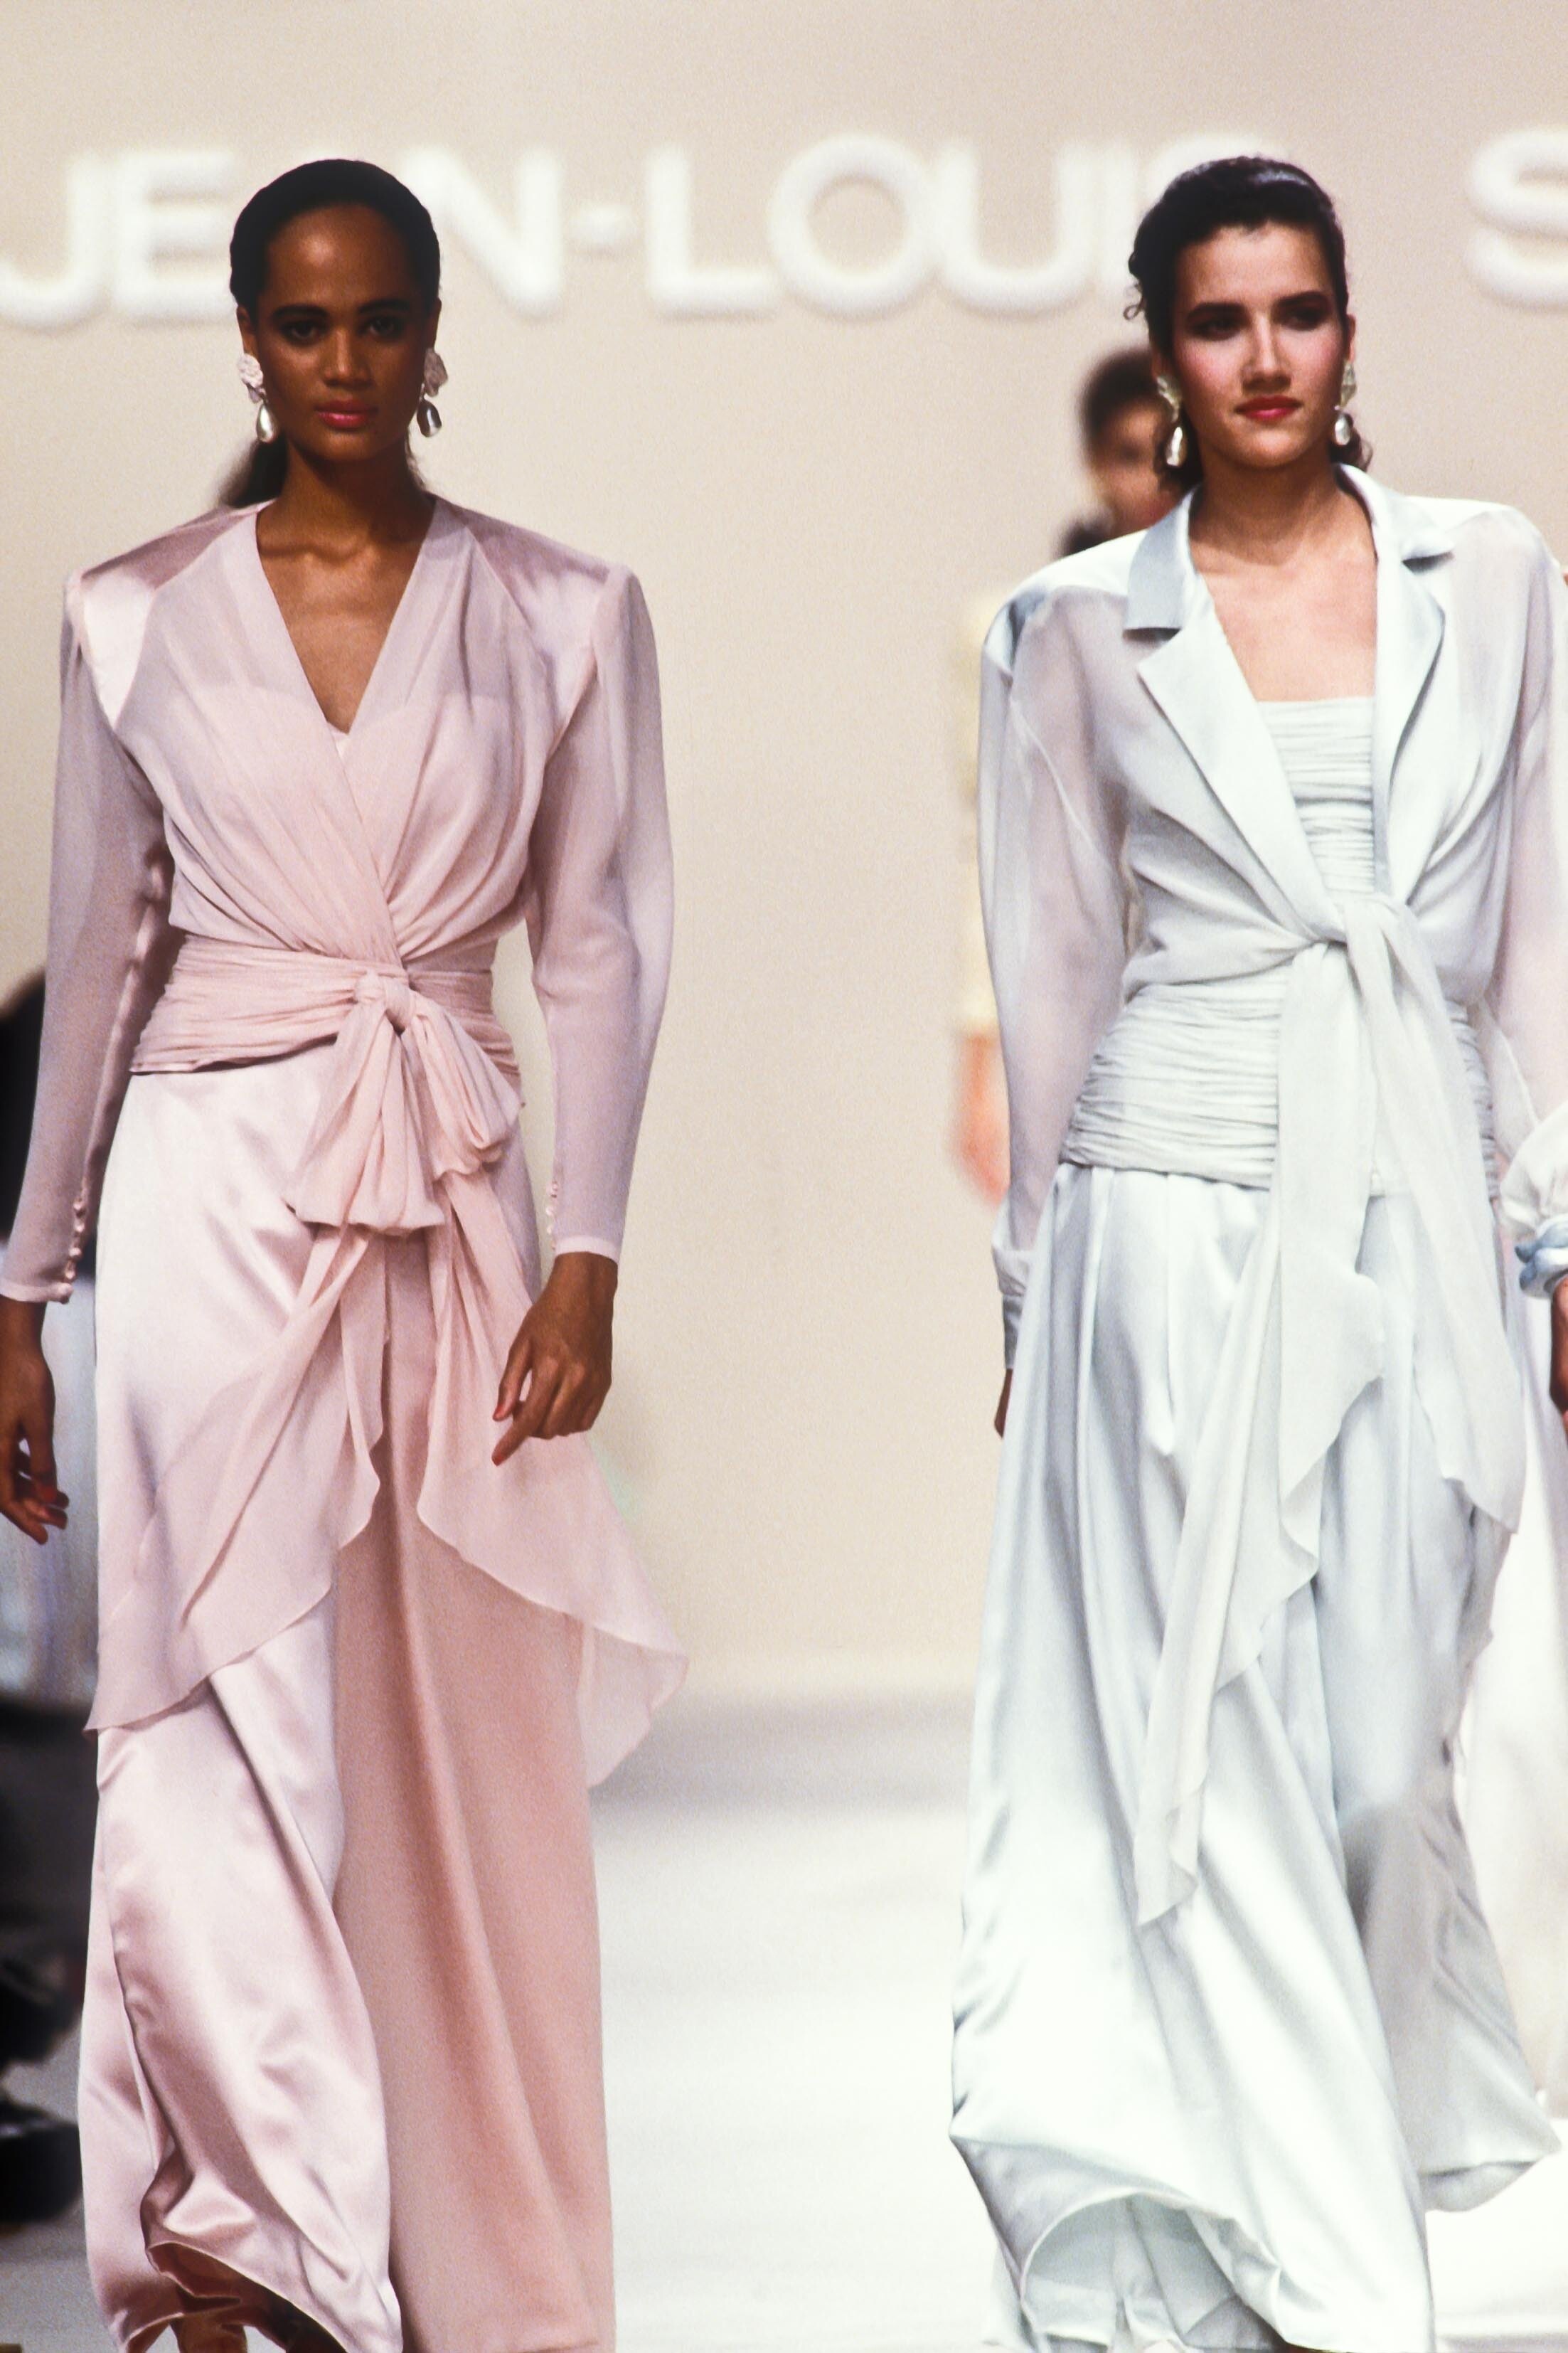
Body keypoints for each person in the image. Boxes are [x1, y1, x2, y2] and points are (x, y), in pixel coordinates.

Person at [0, 157, 682, 2353]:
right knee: (210, 1703)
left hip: (449, 1190)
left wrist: (590, 1252)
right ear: (246, 338)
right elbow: (98, 951)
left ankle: (466, 2243)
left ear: (433, 330)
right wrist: (23, 1286)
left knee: (441, 1733)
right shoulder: (129, 612)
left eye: (381, 317)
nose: (345, 359)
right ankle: (254, 2235)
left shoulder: (565, 609)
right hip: (205, 1180)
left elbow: (601, 943)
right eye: (303, 322)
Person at [951, 154, 1568, 2353]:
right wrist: (1031, 1286)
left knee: (1383, 1759)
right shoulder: (1067, 627)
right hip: (1172, 1213)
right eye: (1219, 320)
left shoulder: (1489, 571)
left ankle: (1273, 2189)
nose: (1265, 354)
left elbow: (1539, 928)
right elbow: (1049, 961)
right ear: (1163, 349)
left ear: (1348, 327)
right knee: (1205, 1750)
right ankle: (1339, 2286)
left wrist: (1557, 1216)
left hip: (1417, 1203)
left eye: (1298, 310)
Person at [954, 352, 1173, 1202]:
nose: (1151, 478)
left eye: (1167, 450)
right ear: (1091, 463)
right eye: (1127, 453)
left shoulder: (1254, 618)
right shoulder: (1021, 625)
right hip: (1076, 992)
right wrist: (980, 1064)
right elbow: (992, 851)